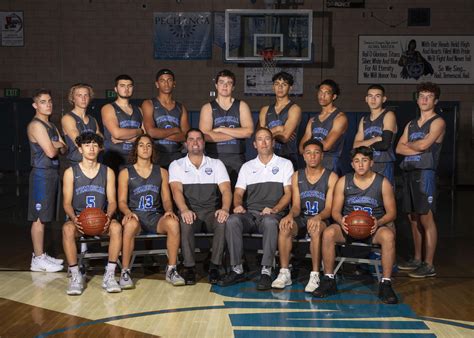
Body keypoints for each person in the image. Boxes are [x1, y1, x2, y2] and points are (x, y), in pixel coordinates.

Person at [314, 146, 398, 304]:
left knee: (388, 236)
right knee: (329, 233)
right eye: (357, 161)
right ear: (352, 164)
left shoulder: (383, 183)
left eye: (364, 161)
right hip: (348, 228)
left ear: (371, 163)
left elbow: (392, 213)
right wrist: (342, 221)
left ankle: (386, 283)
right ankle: (329, 279)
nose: (360, 164)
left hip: (373, 228)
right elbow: (335, 211)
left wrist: (377, 223)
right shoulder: (343, 181)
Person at [219, 127, 293, 290]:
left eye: (267, 138)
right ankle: (237, 269)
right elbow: (238, 192)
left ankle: (266, 270)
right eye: (260, 139)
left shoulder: (285, 164)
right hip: (251, 213)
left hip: (273, 213)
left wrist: (275, 209)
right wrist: (237, 205)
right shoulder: (247, 166)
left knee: (269, 222)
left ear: (273, 142)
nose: (264, 142)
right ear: (254, 144)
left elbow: (289, 194)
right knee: (232, 220)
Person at [118, 134, 184, 289]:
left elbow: (167, 199)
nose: (145, 148)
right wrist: (127, 212)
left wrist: (169, 210)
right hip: (135, 217)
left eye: (148, 145)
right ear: (136, 149)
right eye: (141, 145)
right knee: (129, 225)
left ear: (152, 149)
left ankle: (172, 269)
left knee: (174, 223)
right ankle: (125, 271)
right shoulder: (125, 173)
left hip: (155, 217)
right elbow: (121, 201)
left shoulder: (161, 172)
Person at [272, 139, 338, 292]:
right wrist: (289, 215)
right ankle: (284, 272)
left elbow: (329, 208)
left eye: (316, 153)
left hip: (322, 219)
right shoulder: (297, 176)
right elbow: (295, 206)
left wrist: (318, 217)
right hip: (302, 218)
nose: (312, 156)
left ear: (322, 156)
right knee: (285, 227)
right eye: (308, 153)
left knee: (315, 228)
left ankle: (314, 274)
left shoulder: (332, 177)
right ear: (304, 156)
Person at [168, 128, 232, 285]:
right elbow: (176, 191)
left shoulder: (216, 164)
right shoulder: (176, 165)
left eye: (198, 139)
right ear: (185, 143)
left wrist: (224, 209)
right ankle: (189, 267)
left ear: (203, 143)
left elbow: (226, 190)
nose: (195, 142)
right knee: (186, 221)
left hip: (211, 212)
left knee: (222, 221)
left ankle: (215, 267)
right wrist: (184, 209)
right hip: (191, 212)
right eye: (191, 139)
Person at [62, 132, 122, 295]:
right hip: (79, 221)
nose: (91, 148)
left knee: (116, 228)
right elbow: (66, 203)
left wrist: (108, 216)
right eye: (87, 145)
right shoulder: (70, 172)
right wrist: (74, 219)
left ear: (100, 149)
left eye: (95, 145)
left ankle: (109, 274)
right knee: (67, 229)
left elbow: (113, 201)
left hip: (102, 220)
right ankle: (75, 276)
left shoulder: (107, 171)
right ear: (80, 149)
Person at [396, 82, 445, 278]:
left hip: (425, 174)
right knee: (413, 218)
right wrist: (416, 147)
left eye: (429, 96)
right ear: (417, 99)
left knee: (426, 218)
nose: (424, 99)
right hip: (409, 173)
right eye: (421, 96)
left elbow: (425, 144)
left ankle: (429, 264)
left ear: (435, 100)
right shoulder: (411, 124)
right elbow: (399, 148)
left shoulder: (438, 122)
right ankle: (417, 259)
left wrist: (413, 144)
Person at [27, 89, 67, 272]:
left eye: (50, 101)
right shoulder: (36, 125)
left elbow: (64, 148)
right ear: (35, 105)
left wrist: (56, 144)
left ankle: (42, 254)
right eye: (43, 102)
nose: (48, 104)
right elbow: (52, 152)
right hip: (41, 174)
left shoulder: (51, 125)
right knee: (38, 218)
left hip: (52, 173)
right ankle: (37, 258)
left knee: (47, 217)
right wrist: (56, 145)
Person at [199, 69, 254, 187]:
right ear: (216, 85)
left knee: (237, 196)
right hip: (214, 158)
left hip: (237, 159)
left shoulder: (242, 106)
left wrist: (220, 129)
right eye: (222, 82)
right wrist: (237, 133)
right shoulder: (207, 108)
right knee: (216, 196)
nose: (225, 85)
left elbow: (248, 132)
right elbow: (205, 136)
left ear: (233, 87)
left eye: (229, 83)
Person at [142, 69, 190, 169]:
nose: (166, 84)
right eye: (162, 80)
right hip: (156, 155)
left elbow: (186, 136)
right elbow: (151, 132)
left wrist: (160, 133)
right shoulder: (149, 104)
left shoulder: (181, 107)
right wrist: (175, 130)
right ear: (157, 84)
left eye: (169, 80)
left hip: (176, 155)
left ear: (174, 83)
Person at [299, 79, 347, 175]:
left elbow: (326, 146)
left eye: (327, 93)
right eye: (320, 92)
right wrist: (310, 149)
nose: (322, 96)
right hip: (313, 163)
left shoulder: (340, 117)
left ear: (334, 96)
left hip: (331, 164)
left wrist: (309, 148)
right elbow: (301, 149)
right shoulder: (313, 120)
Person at [353, 85, 397, 186]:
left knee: (384, 197)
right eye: (370, 96)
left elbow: (384, 144)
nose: (373, 99)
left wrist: (364, 145)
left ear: (383, 99)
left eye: (377, 96)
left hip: (383, 163)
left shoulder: (388, 115)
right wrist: (376, 139)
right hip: (366, 164)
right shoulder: (364, 120)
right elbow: (355, 146)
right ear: (366, 99)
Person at [258, 71, 302, 169]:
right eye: (277, 84)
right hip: (269, 157)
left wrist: (268, 134)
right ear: (273, 87)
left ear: (290, 88)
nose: (280, 87)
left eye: (284, 84)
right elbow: (260, 136)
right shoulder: (265, 110)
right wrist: (279, 128)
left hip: (289, 156)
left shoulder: (295, 109)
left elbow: (285, 137)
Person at [102, 74, 144, 174]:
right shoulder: (108, 108)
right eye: (122, 86)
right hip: (114, 159)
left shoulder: (139, 110)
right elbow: (117, 134)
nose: (126, 89)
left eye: (129, 86)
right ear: (116, 89)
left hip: (134, 158)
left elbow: (145, 136)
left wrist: (125, 137)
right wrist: (139, 131)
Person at [61, 83, 101, 165]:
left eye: (86, 95)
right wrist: (96, 144)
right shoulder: (68, 118)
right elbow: (79, 142)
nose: (83, 98)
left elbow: (102, 143)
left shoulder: (93, 120)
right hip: (77, 163)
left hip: (93, 163)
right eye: (79, 95)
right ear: (73, 99)